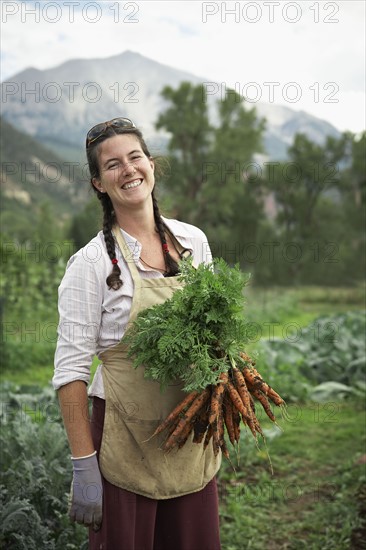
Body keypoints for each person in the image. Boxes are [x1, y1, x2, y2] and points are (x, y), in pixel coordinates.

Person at [53, 117, 222, 550]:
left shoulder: (192, 241)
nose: (127, 170)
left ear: (151, 164)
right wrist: (83, 464)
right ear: (98, 184)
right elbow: (71, 373)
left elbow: (216, 332)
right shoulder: (90, 265)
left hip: (187, 431)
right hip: (121, 442)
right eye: (112, 165)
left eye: (134, 157)